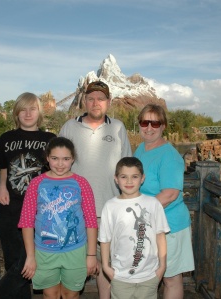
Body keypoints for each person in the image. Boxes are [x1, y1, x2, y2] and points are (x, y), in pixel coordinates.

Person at [59, 80, 132, 298]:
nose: (95, 102)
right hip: (75, 211)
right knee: (71, 263)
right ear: (84, 101)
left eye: (100, 98)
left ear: (108, 102)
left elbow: (127, 168)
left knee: (107, 264)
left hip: (110, 210)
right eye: (90, 98)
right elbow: (57, 164)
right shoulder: (69, 127)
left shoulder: (118, 127)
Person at [0, 92, 56, 299]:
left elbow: (56, 170)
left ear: (39, 113)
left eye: (32, 109)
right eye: (23, 109)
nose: (28, 113)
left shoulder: (49, 139)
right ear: (16, 113)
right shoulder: (7, 138)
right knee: (14, 257)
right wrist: (2, 187)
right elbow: (4, 167)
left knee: (30, 257)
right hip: (11, 204)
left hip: (40, 207)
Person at [19, 136, 98, 299]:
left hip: (75, 251)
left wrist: (91, 256)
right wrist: (31, 256)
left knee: (71, 294)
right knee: (50, 294)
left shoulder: (81, 183)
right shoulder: (36, 184)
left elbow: (91, 221)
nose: (60, 164)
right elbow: (27, 222)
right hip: (44, 251)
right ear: (47, 158)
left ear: (73, 159)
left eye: (66, 159)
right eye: (55, 158)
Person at [133, 104, 195, 299]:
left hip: (170, 226)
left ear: (163, 126)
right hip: (148, 224)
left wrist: (139, 212)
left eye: (155, 123)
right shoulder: (141, 149)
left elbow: (169, 194)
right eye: (145, 122)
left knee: (170, 277)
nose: (149, 127)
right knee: (149, 274)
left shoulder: (170, 156)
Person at [98, 157, 170, 299]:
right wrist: (106, 267)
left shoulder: (153, 203)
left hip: (149, 275)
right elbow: (105, 239)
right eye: (124, 177)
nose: (129, 181)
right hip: (120, 276)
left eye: (134, 177)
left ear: (142, 178)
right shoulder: (110, 206)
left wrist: (162, 266)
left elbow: (160, 235)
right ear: (116, 179)